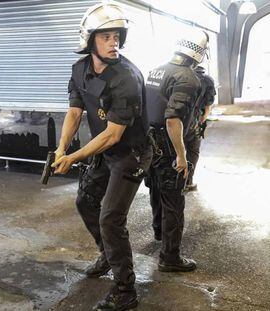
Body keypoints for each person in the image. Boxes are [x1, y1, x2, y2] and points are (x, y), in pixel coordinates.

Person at [51, 2, 152, 310]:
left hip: (130, 154)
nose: (114, 42)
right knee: (85, 201)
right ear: (90, 40)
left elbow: (113, 134)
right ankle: (107, 255)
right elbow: (73, 111)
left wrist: (74, 156)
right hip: (104, 150)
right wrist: (60, 149)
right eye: (106, 36)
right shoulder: (80, 69)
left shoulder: (127, 77)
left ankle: (125, 290)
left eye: (117, 36)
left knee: (111, 217)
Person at [145, 29, 209, 272]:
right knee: (174, 201)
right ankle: (170, 258)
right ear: (199, 54)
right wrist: (181, 156)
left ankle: (159, 232)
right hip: (168, 145)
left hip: (150, 145)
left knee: (156, 190)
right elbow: (173, 119)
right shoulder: (188, 78)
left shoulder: (156, 70)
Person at [184, 65, 216, 191]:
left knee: (175, 151)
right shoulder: (207, 79)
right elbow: (208, 105)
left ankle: (174, 180)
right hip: (193, 121)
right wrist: (201, 120)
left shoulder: (178, 74)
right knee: (192, 151)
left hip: (174, 121)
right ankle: (187, 181)